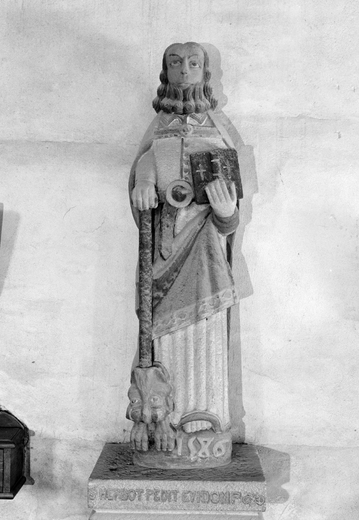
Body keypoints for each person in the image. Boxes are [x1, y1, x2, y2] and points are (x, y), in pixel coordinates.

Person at [129, 42, 240, 443]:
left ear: (205, 73)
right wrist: (144, 182)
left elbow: (231, 213)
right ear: (166, 72)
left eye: (194, 63)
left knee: (206, 330)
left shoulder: (217, 130)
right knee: (161, 332)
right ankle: (162, 424)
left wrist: (226, 212)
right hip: (163, 246)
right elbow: (145, 164)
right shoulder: (159, 127)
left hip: (205, 250)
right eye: (176, 63)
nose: (185, 70)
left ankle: (207, 423)